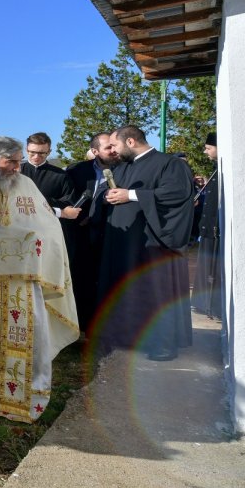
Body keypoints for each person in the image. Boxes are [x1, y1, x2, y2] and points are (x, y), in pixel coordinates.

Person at [0, 136, 78, 423]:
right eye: (11, 161)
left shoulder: (26, 185)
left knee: (25, 337)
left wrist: (35, 248)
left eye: (19, 161)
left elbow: (48, 226)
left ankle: (23, 395)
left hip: (21, 280)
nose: (17, 167)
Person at [96, 125, 196, 361]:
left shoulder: (169, 164)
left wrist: (130, 195)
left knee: (154, 291)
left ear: (130, 142)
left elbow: (177, 194)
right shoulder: (122, 166)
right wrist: (107, 196)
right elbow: (107, 192)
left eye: (115, 145)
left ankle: (163, 344)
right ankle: (125, 338)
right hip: (123, 243)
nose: (112, 150)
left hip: (153, 242)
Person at [64, 132, 121, 334]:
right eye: (108, 148)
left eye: (114, 146)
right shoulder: (76, 171)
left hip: (112, 234)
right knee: (82, 280)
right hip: (81, 235)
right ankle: (82, 326)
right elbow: (67, 199)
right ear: (95, 151)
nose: (113, 150)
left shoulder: (125, 169)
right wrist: (81, 218)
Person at [21, 132, 80, 226]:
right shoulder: (15, 172)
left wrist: (41, 200)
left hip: (48, 225)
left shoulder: (61, 175)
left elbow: (68, 202)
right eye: (32, 152)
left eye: (41, 153)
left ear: (49, 152)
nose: (36, 156)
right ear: (26, 150)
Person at [193, 132, 222, 320]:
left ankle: (211, 306)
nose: (205, 151)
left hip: (214, 230)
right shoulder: (215, 170)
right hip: (207, 229)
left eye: (208, 148)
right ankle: (203, 304)